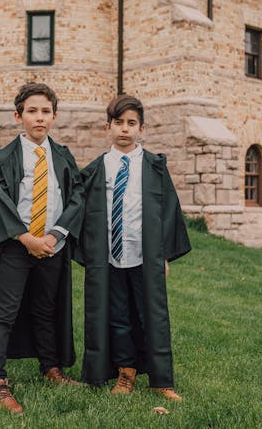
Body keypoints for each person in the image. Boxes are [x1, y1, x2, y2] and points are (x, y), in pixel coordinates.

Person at [0, 82, 84, 414]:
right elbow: (0, 200)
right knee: (2, 313)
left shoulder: (62, 156)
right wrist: (26, 238)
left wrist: (55, 235)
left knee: (46, 309)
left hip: (51, 245)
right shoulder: (4, 159)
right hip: (16, 246)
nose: (39, 118)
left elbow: (76, 198)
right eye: (32, 111)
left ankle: (50, 366)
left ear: (55, 116)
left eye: (46, 112)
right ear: (18, 116)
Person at [77, 94, 191, 402]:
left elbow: (168, 211)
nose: (125, 129)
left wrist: (164, 254)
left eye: (131, 123)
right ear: (108, 127)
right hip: (111, 258)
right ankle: (125, 372)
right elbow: (82, 212)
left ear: (141, 129)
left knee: (151, 314)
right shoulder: (97, 169)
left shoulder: (154, 166)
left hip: (144, 256)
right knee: (117, 316)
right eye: (118, 123)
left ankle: (161, 379)